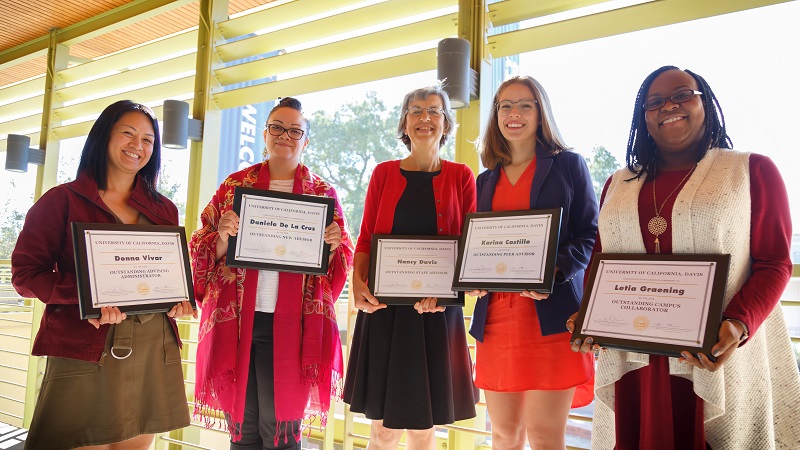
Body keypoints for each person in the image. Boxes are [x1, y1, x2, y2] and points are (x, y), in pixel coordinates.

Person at [568, 66, 800, 449]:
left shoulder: (750, 170)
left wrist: (738, 324)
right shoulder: (618, 182)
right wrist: (589, 314)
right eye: (654, 101)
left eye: (682, 94)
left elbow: (774, 261)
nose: (668, 106)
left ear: (704, 101)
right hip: (636, 363)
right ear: (643, 117)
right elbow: (601, 258)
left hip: (711, 352)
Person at [11, 100, 195, 450]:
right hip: (86, 343)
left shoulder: (163, 208)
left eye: (147, 139)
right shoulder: (60, 200)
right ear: (103, 137)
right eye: (127, 133)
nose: (137, 146)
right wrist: (88, 297)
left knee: (137, 445)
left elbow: (165, 273)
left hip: (152, 345)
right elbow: (25, 275)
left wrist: (178, 300)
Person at [190, 97, 354, 450]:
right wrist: (221, 236)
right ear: (265, 134)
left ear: (306, 140)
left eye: (295, 130)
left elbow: (341, 261)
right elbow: (200, 248)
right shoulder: (234, 186)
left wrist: (332, 244)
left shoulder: (323, 193)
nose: (285, 136)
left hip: (294, 326)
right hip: (237, 323)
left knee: (280, 432)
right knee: (244, 430)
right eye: (277, 127)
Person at [342, 85, 478, 450]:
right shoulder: (383, 174)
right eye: (416, 111)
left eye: (434, 111)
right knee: (383, 430)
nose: (425, 118)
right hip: (386, 315)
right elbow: (366, 239)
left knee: (424, 429)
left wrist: (449, 293)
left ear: (446, 124)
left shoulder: (462, 176)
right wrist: (357, 284)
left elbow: (471, 247)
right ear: (404, 123)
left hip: (437, 316)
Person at [465, 76, 597, 449]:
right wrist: (470, 279)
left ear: (541, 113)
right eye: (505, 105)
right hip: (497, 321)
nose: (514, 113)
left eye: (525, 105)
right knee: (504, 434)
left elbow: (589, 234)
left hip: (550, 319)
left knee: (543, 437)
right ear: (496, 116)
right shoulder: (484, 181)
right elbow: (476, 246)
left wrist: (552, 273)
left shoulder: (569, 165)